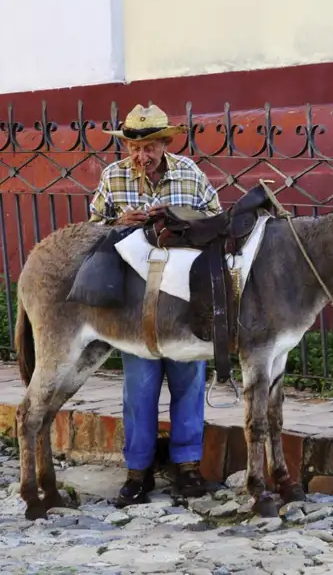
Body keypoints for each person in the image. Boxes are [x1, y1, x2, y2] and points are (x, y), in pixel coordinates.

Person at [88, 103, 222, 506]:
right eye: (133, 147)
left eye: (149, 147)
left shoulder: (189, 174)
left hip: (182, 298)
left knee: (189, 382)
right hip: (134, 301)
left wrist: (179, 216)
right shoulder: (113, 177)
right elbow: (90, 226)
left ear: (165, 143)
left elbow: (218, 220)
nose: (141, 156)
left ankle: (187, 467)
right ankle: (138, 470)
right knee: (139, 387)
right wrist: (117, 223)